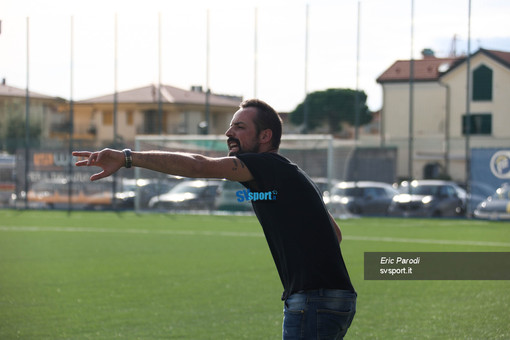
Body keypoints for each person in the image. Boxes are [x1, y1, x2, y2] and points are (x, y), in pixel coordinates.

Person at [73, 99, 356, 339]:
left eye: (240, 127)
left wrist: (127, 158)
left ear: (265, 136)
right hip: (331, 299)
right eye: (231, 125)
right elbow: (335, 233)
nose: (228, 132)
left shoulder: (266, 165)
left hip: (313, 300)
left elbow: (199, 165)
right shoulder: (290, 173)